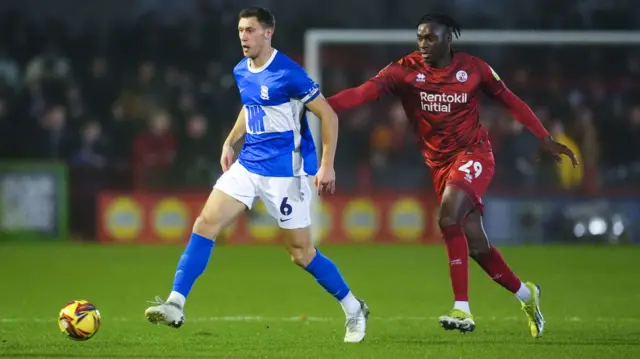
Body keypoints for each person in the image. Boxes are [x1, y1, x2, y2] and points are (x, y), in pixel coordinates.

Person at [327, 13, 579, 337]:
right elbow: (361, 93)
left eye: (430, 38)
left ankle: (462, 309)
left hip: (475, 154)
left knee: (448, 218)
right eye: (419, 37)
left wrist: (544, 138)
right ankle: (528, 295)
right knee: (476, 244)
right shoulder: (404, 70)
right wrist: (319, 104)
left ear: (448, 39)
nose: (423, 44)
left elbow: (511, 101)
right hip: (439, 166)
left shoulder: (474, 69)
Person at [144, 7, 369, 343]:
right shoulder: (241, 70)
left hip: (286, 173)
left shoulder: (288, 73)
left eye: (250, 30)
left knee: (301, 254)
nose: (243, 37)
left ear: (268, 33)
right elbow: (251, 109)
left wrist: (326, 165)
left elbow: (329, 116)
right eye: (239, 31)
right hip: (249, 165)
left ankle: (353, 308)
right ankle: (176, 302)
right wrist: (230, 140)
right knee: (206, 224)